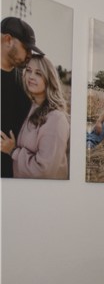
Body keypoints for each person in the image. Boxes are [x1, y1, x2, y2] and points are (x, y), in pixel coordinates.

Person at [0, 54, 69, 179]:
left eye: (38, 73)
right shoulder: (30, 107)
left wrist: (13, 151)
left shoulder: (56, 119)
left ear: (49, 79)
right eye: (29, 70)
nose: (31, 76)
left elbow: (44, 171)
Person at [1, 17, 43, 178]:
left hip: (20, 174)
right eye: (26, 48)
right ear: (8, 40)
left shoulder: (26, 82)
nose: (30, 55)